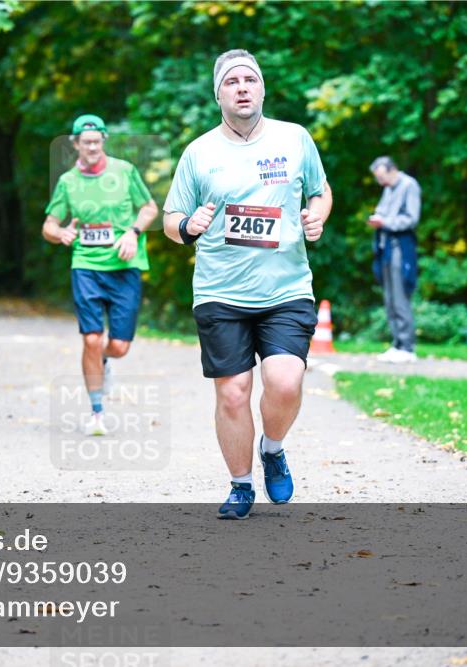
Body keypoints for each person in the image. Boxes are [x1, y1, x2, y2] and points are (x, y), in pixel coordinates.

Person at [162, 50, 332, 519]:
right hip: (220, 291)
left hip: (286, 288)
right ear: (218, 93)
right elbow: (170, 221)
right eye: (232, 81)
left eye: (250, 79)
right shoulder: (199, 152)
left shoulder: (295, 139)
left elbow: (320, 190)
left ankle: (272, 448)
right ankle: (240, 486)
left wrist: (316, 216)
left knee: (284, 381)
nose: (242, 87)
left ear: (262, 89)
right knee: (233, 392)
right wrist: (188, 225)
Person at [42, 114, 159, 436]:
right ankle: (96, 411)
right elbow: (49, 225)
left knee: (118, 346)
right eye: (85, 142)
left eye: (96, 141)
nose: (92, 147)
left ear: (103, 141)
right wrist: (60, 233)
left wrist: (133, 233)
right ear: (76, 144)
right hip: (86, 266)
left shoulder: (124, 171)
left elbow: (149, 208)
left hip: (124, 267)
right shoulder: (68, 182)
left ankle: (103, 361)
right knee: (91, 338)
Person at [368, 157, 421, 363]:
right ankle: (397, 344)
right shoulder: (388, 188)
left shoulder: (409, 185)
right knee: (389, 298)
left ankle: (408, 347)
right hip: (385, 248)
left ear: (393, 170)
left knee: (400, 296)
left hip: (401, 247)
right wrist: (377, 218)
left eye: (382, 177)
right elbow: (383, 210)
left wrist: (385, 222)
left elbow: (411, 218)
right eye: (378, 178)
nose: (381, 182)